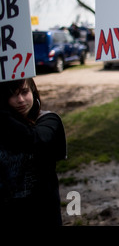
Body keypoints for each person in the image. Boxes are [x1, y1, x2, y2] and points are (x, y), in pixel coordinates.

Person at [0, 78, 67, 226]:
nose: (21, 100)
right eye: (12, 95)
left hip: (43, 214)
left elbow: (35, 139)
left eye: (25, 92)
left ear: (33, 92)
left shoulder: (48, 120)